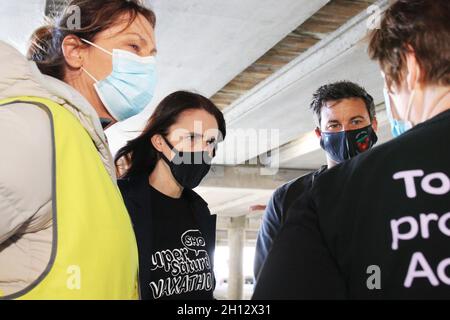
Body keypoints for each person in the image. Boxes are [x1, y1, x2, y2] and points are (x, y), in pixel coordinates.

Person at [253, 0, 450, 299]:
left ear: (411, 66)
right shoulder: (292, 197)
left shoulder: (329, 197)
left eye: (389, 79)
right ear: (320, 132)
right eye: (334, 125)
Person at [0, 0, 156, 299]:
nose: (147, 66)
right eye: (135, 47)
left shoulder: (85, 144)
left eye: (151, 56)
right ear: (75, 51)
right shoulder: (38, 128)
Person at [254, 81, 379, 280]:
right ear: (320, 134)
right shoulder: (287, 198)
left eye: (356, 122)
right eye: (334, 125)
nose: (345, 132)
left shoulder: (397, 186)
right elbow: (266, 278)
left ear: (373, 125)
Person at [115, 91, 226, 300]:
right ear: (159, 142)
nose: (204, 150)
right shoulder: (120, 201)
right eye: (192, 137)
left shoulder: (199, 209)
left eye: (211, 142)